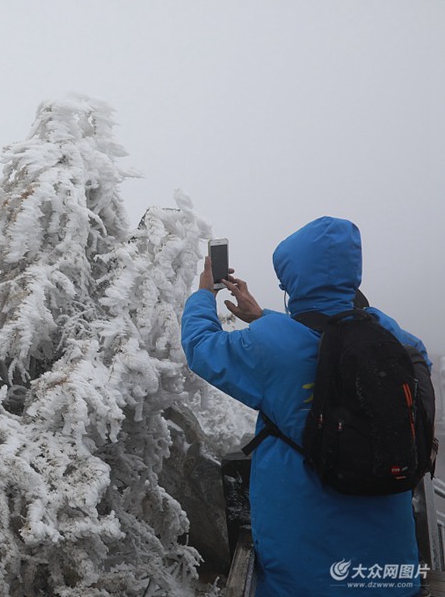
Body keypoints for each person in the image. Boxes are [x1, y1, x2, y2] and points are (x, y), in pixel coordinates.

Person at [181, 216, 431, 597]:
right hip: (390, 573)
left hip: (306, 577)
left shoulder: (272, 345)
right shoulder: (392, 337)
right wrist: (265, 317)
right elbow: (340, 341)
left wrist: (204, 293)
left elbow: (201, 346)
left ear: (290, 282)